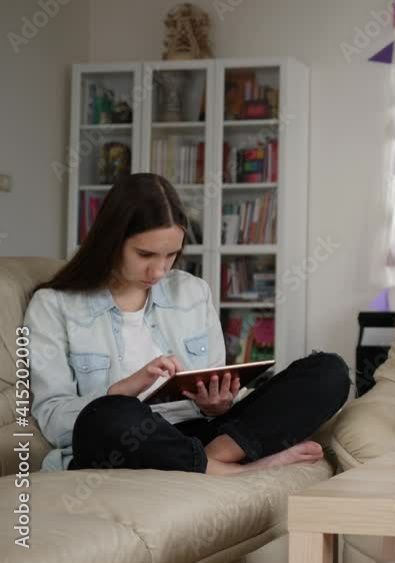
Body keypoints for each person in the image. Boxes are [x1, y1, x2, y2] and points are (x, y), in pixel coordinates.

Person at [27, 173, 351, 475]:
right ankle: (232, 470)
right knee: (109, 415)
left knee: (328, 371)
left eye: (171, 255)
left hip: (198, 434)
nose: (159, 271)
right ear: (111, 241)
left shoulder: (192, 292)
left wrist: (215, 405)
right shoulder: (53, 305)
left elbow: (216, 386)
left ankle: (213, 459)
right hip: (127, 440)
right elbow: (54, 420)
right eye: (145, 255)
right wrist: (124, 389)